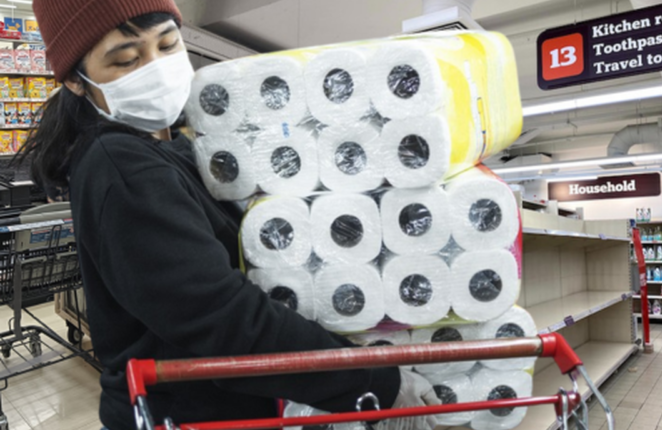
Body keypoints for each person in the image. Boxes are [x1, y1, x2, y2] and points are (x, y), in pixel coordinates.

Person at [19, 1, 439, 429]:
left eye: (168, 44)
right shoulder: (122, 167)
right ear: (75, 80)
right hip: (187, 415)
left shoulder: (173, 144)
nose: (156, 67)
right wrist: (372, 382)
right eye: (127, 60)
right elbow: (222, 319)